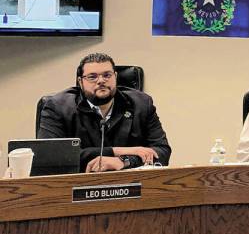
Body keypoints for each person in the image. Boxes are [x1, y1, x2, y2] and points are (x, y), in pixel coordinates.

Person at [37, 53, 172, 172]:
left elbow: (162, 151)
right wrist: (121, 151)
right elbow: (51, 157)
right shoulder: (57, 107)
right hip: (76, 187)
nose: (101, 81)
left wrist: (123, 161)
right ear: (80, 82)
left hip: (130, 187)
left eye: (107, 75)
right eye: (92, 77)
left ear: (116, 77)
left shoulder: (141, 104)